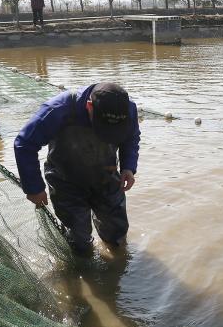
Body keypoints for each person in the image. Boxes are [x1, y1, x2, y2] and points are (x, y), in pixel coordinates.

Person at [14, 82, 140, 256]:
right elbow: (25, 144)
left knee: (117, 235)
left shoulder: (128, 109)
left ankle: (116, 267)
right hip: (65, 181)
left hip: (107, 176)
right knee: (79, 241)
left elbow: (132, 137)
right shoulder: (59, 109)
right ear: (89, 106)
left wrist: (128, 167)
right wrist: (34, 188)